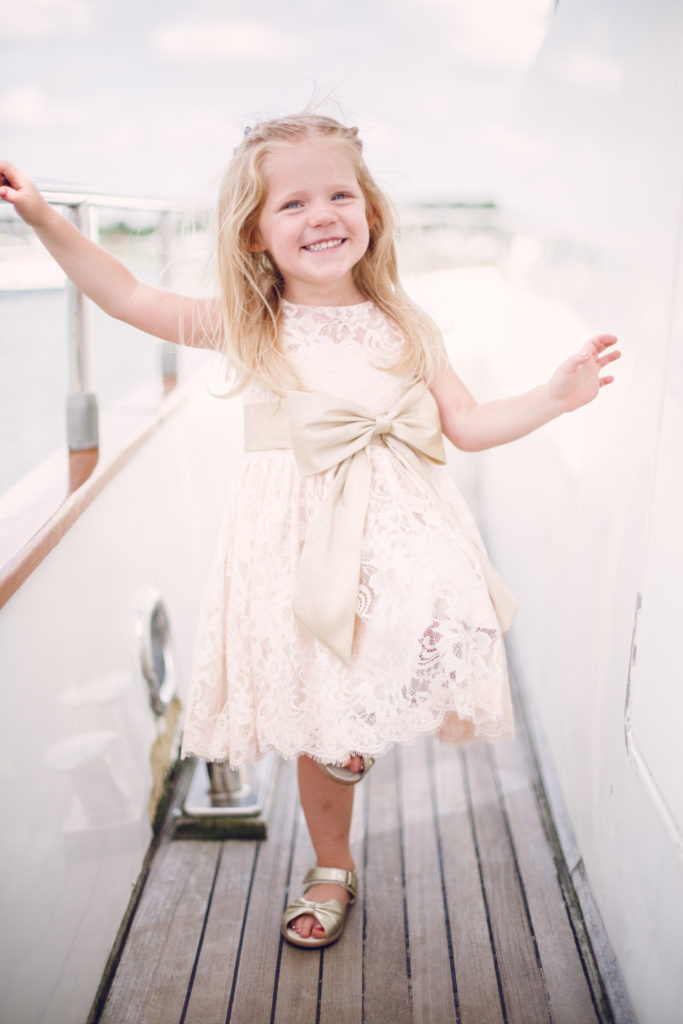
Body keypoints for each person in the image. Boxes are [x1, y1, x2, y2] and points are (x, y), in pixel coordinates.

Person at [0, 113, 619, 949]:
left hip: (394, 525)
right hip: (290, 542)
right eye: (291, 203)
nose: (321, 215)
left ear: (371, 211)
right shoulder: (254, 322)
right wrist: (43, 218)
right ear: (255, 233)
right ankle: (332, 865)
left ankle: (355, 735)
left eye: (339, 194)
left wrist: (553, 396)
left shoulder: (407, 324)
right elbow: (127, 295)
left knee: (419, 625)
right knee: (318, 712)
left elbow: (465, 426)